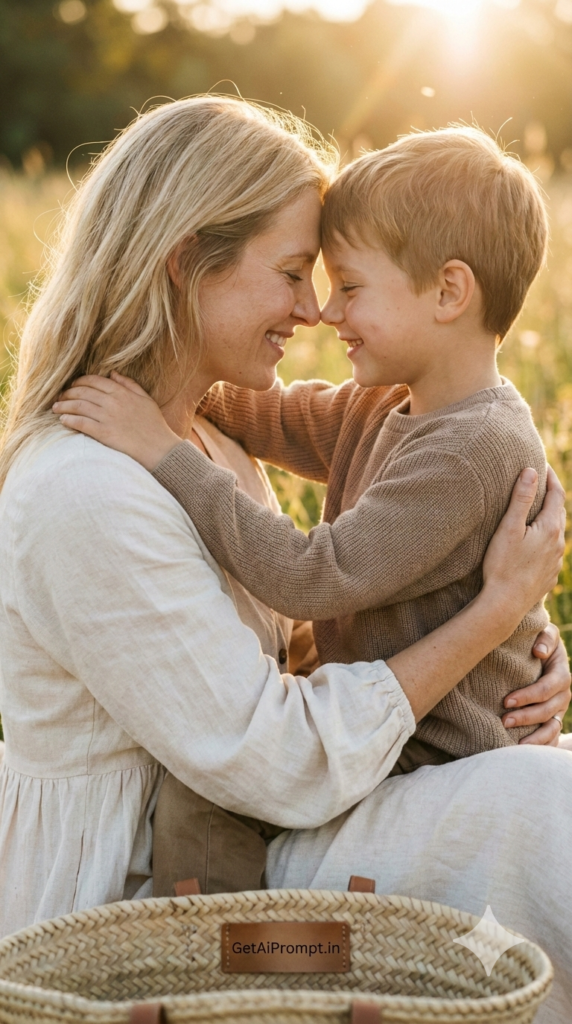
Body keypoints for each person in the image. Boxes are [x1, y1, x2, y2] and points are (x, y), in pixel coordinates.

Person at [0, 98, 570, 1024]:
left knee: (551, 795)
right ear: (187, 264)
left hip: (259, 813)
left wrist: (518, 644)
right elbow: (268, 753)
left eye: (336, 283)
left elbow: (298, 644)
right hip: (146, 881)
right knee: (548, 811)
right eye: (296, 275)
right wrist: (490, 619)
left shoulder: (196, 438)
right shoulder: (90, 487)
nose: (314, 312)